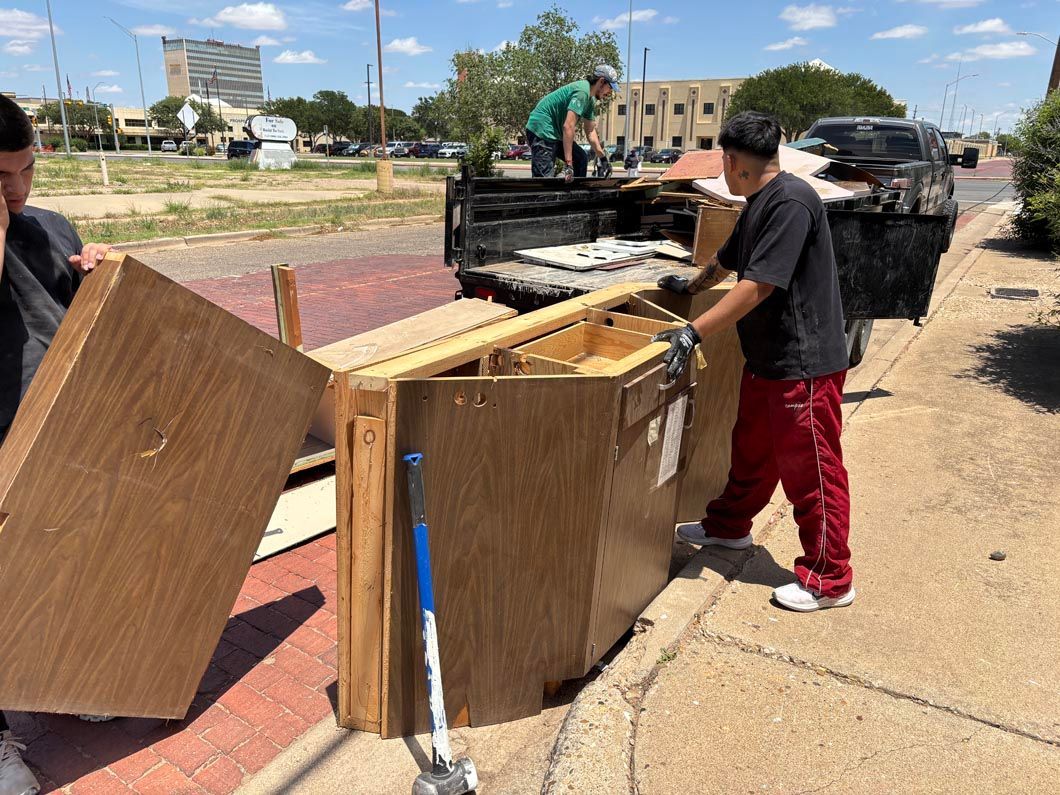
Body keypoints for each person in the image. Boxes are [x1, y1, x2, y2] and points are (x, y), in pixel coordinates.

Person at [653, 111, 854, 613]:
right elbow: (727, 259)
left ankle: (831, 579)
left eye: (723, 157)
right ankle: (729, 527)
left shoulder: (792, 202)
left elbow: (759, 284)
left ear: (733, 160)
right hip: (769, 360)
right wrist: (690, 286)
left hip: (804, 365)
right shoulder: (759, 201)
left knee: (812, 471)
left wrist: (692, 331)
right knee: (751, 453)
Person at [1, 93, 112, 795]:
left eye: (25, 170)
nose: (16, 191)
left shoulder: (45, 226)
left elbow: (78, 315)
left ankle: (67, 675)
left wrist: (103, 277)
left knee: (63, 571)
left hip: (62, 440)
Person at [525, 65, 618, 180]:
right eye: (610, 88)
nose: (609, 92)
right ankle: (541, 196)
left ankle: (576, 194)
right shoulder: (582, 92)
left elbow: (590, 131)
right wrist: (568, 164)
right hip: (541, 129)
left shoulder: (590, 98)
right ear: (601, 81)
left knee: (580, 158)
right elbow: (568, 126)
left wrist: (603, 159)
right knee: (544, 181)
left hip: (554, 133)